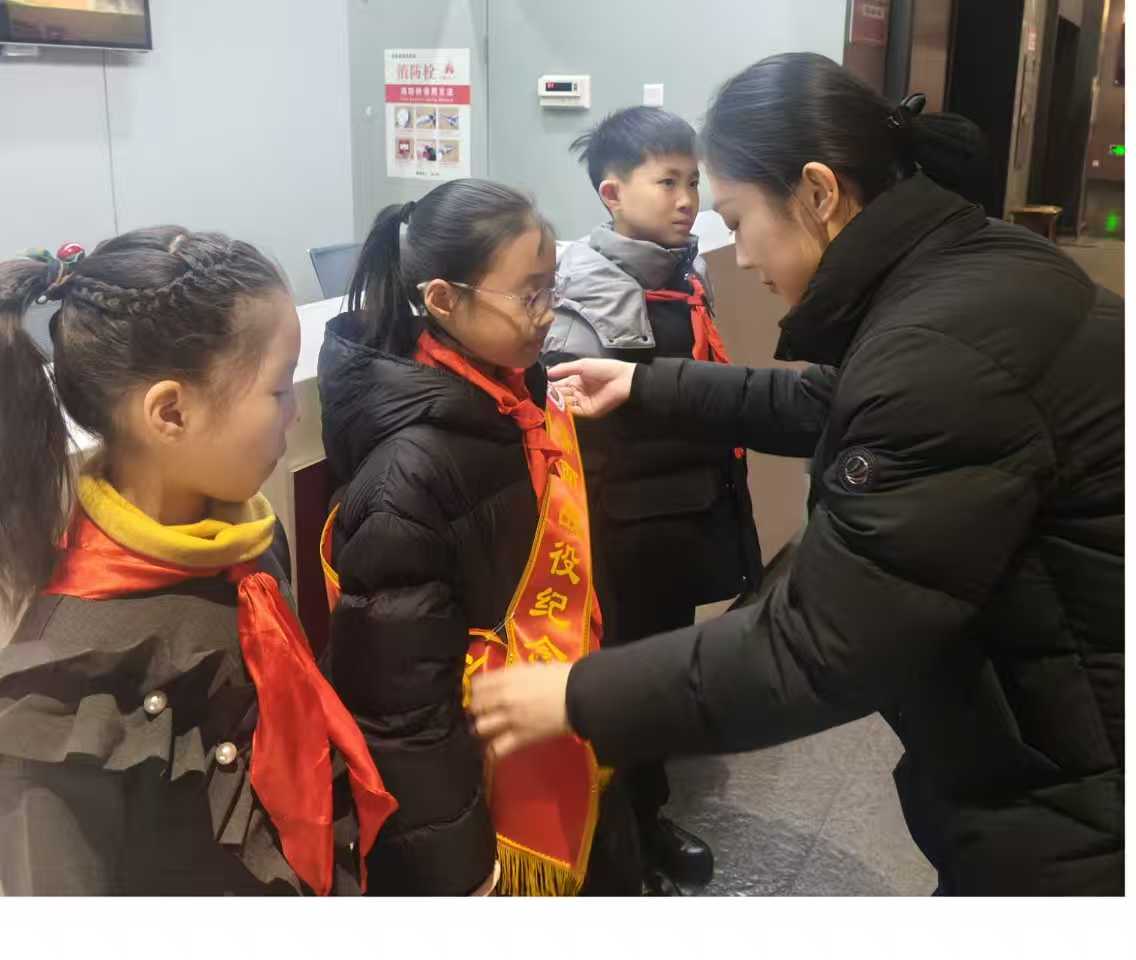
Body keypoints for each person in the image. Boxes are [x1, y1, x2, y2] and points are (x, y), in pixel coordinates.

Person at [470, 53, 1124, 896]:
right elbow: (835, 399)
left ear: (818, 193)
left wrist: (574, 694)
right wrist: (645, 382)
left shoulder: (940, 351)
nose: (739, 255)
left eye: (737, 219)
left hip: (1077, 793)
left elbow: (818, 645)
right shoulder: (973, 267)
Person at [0, 229, 396, 895]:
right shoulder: (59, 695)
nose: (294, 412)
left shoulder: (250, 542)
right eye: (277, 391)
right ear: (171, 413)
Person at [317, 179, 641, 896]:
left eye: (552, 287)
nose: (549, 313)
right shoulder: (408, 475)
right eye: (529, 295)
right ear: (442, 300)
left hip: (559, 731)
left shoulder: (519, 395)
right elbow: (401, 709)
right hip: (488, 791)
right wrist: (460, 869)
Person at [542, 106, 763, 894]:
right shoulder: (581, 287)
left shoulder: (684, 273)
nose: (686, 199)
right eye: (667, 182)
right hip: (616, 532)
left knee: (661, 678)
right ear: (612, 193)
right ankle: (617, 839)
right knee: (620, 684)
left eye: (692, 182)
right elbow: (571, 422)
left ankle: (647, 814)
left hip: (681, 517)